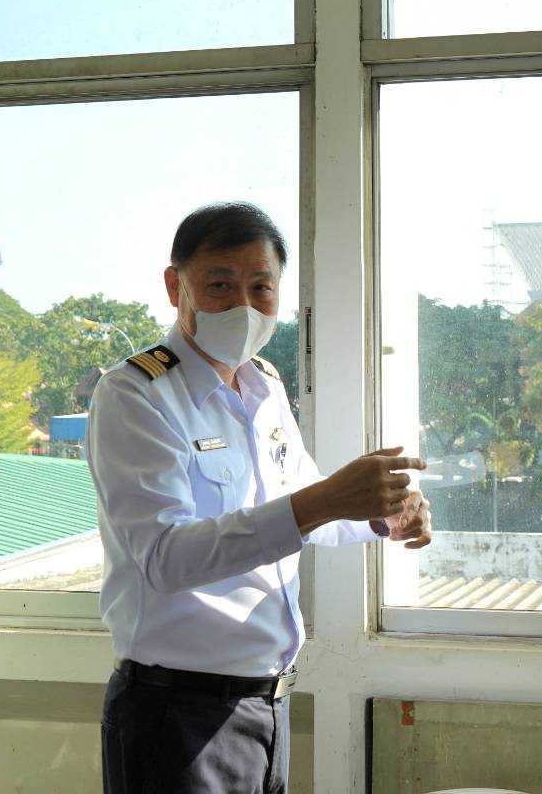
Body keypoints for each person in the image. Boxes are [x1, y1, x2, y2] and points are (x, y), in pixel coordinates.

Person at [90, 202, 433, 794]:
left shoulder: (265, 388)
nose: (243, 307)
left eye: (261, 288)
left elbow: (308, 512)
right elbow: (165, 558)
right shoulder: (136, 395)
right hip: (175, 713)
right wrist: (324, 501)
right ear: (176, 287)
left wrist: (381, 515)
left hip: (267, 703)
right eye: (220, 285)